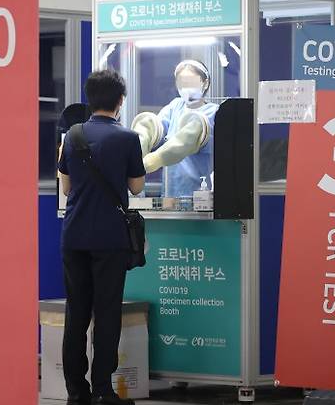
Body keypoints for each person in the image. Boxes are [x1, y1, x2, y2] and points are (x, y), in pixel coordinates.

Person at [58, 70, 146, 405]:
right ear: (120, 101)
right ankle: (102, 391)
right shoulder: (127, 138)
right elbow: (136, 186)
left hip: (74, 235)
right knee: (106, 312)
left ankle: (75, 392)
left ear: (89, 98)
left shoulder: (73, 135)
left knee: (76, 313)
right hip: (110, 238)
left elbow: (65, 186)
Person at [132, 60, 219, 197]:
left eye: (191, 82)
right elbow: (156, 128)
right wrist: (141, 140)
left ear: (205, 83)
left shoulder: (211, 112)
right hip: (169, 195)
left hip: (197, 196)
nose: (186, 88)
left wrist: (148, 163)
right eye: (182, 83)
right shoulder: (175, 107)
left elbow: (185, 141)